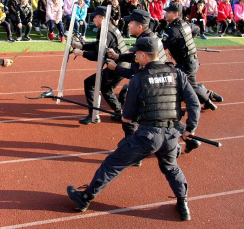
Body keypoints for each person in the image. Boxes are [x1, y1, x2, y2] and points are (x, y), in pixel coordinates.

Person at [67, 37, 200, 222]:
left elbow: (128, 115)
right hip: (171, 136)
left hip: (148, 136)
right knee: (171, 168)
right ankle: (183, 204)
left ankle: (85, 198)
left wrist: (127, 117)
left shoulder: (139, 78)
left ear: (144, 55)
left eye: (136, 53)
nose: (135, 56)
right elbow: (194, 104)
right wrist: (190, 128)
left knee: (112, 164)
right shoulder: (177, 73)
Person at [72, 6, 129, 124]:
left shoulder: (106, 31)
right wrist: (82, 46)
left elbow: (99, 54)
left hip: (116, 66)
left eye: (95, 17)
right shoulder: (108, 27)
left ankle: (93, 115)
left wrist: (82, 53)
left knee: (90, 83)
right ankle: (119, 113)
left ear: (102, 17)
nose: (93, 19)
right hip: (121, 64)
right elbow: (98, 45)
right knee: (106, 88)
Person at [162, 3, 223, 111]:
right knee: (191, 85)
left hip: (186, 64)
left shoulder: (173, 31)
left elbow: (161, 46)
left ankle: (205, 100)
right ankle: (208, 96)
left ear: (175, 14)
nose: (166, 14)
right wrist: (188, 41)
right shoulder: (185, 24)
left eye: (168, 12)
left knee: (174, 82)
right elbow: (196, 29)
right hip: (192, 61)